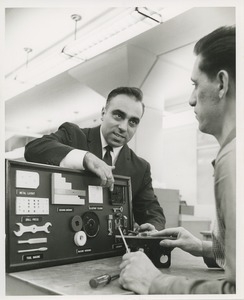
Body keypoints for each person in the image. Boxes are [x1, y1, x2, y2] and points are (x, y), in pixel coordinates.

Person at [119, 26, 236, 294]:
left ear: (221, 83)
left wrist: (155, 282)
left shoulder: (233, 159)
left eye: (195, 84)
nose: (191, 99)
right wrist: (204, 247)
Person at [24, 86, 166, 231]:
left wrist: (153, 228)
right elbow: (34, 149)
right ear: (103, 113)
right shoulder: (73, 135)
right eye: (118, 115)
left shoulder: (140, 168)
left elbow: (153, 213)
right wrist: (85, 158)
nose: (123, 127)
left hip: (114, 250)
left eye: (133, 122)